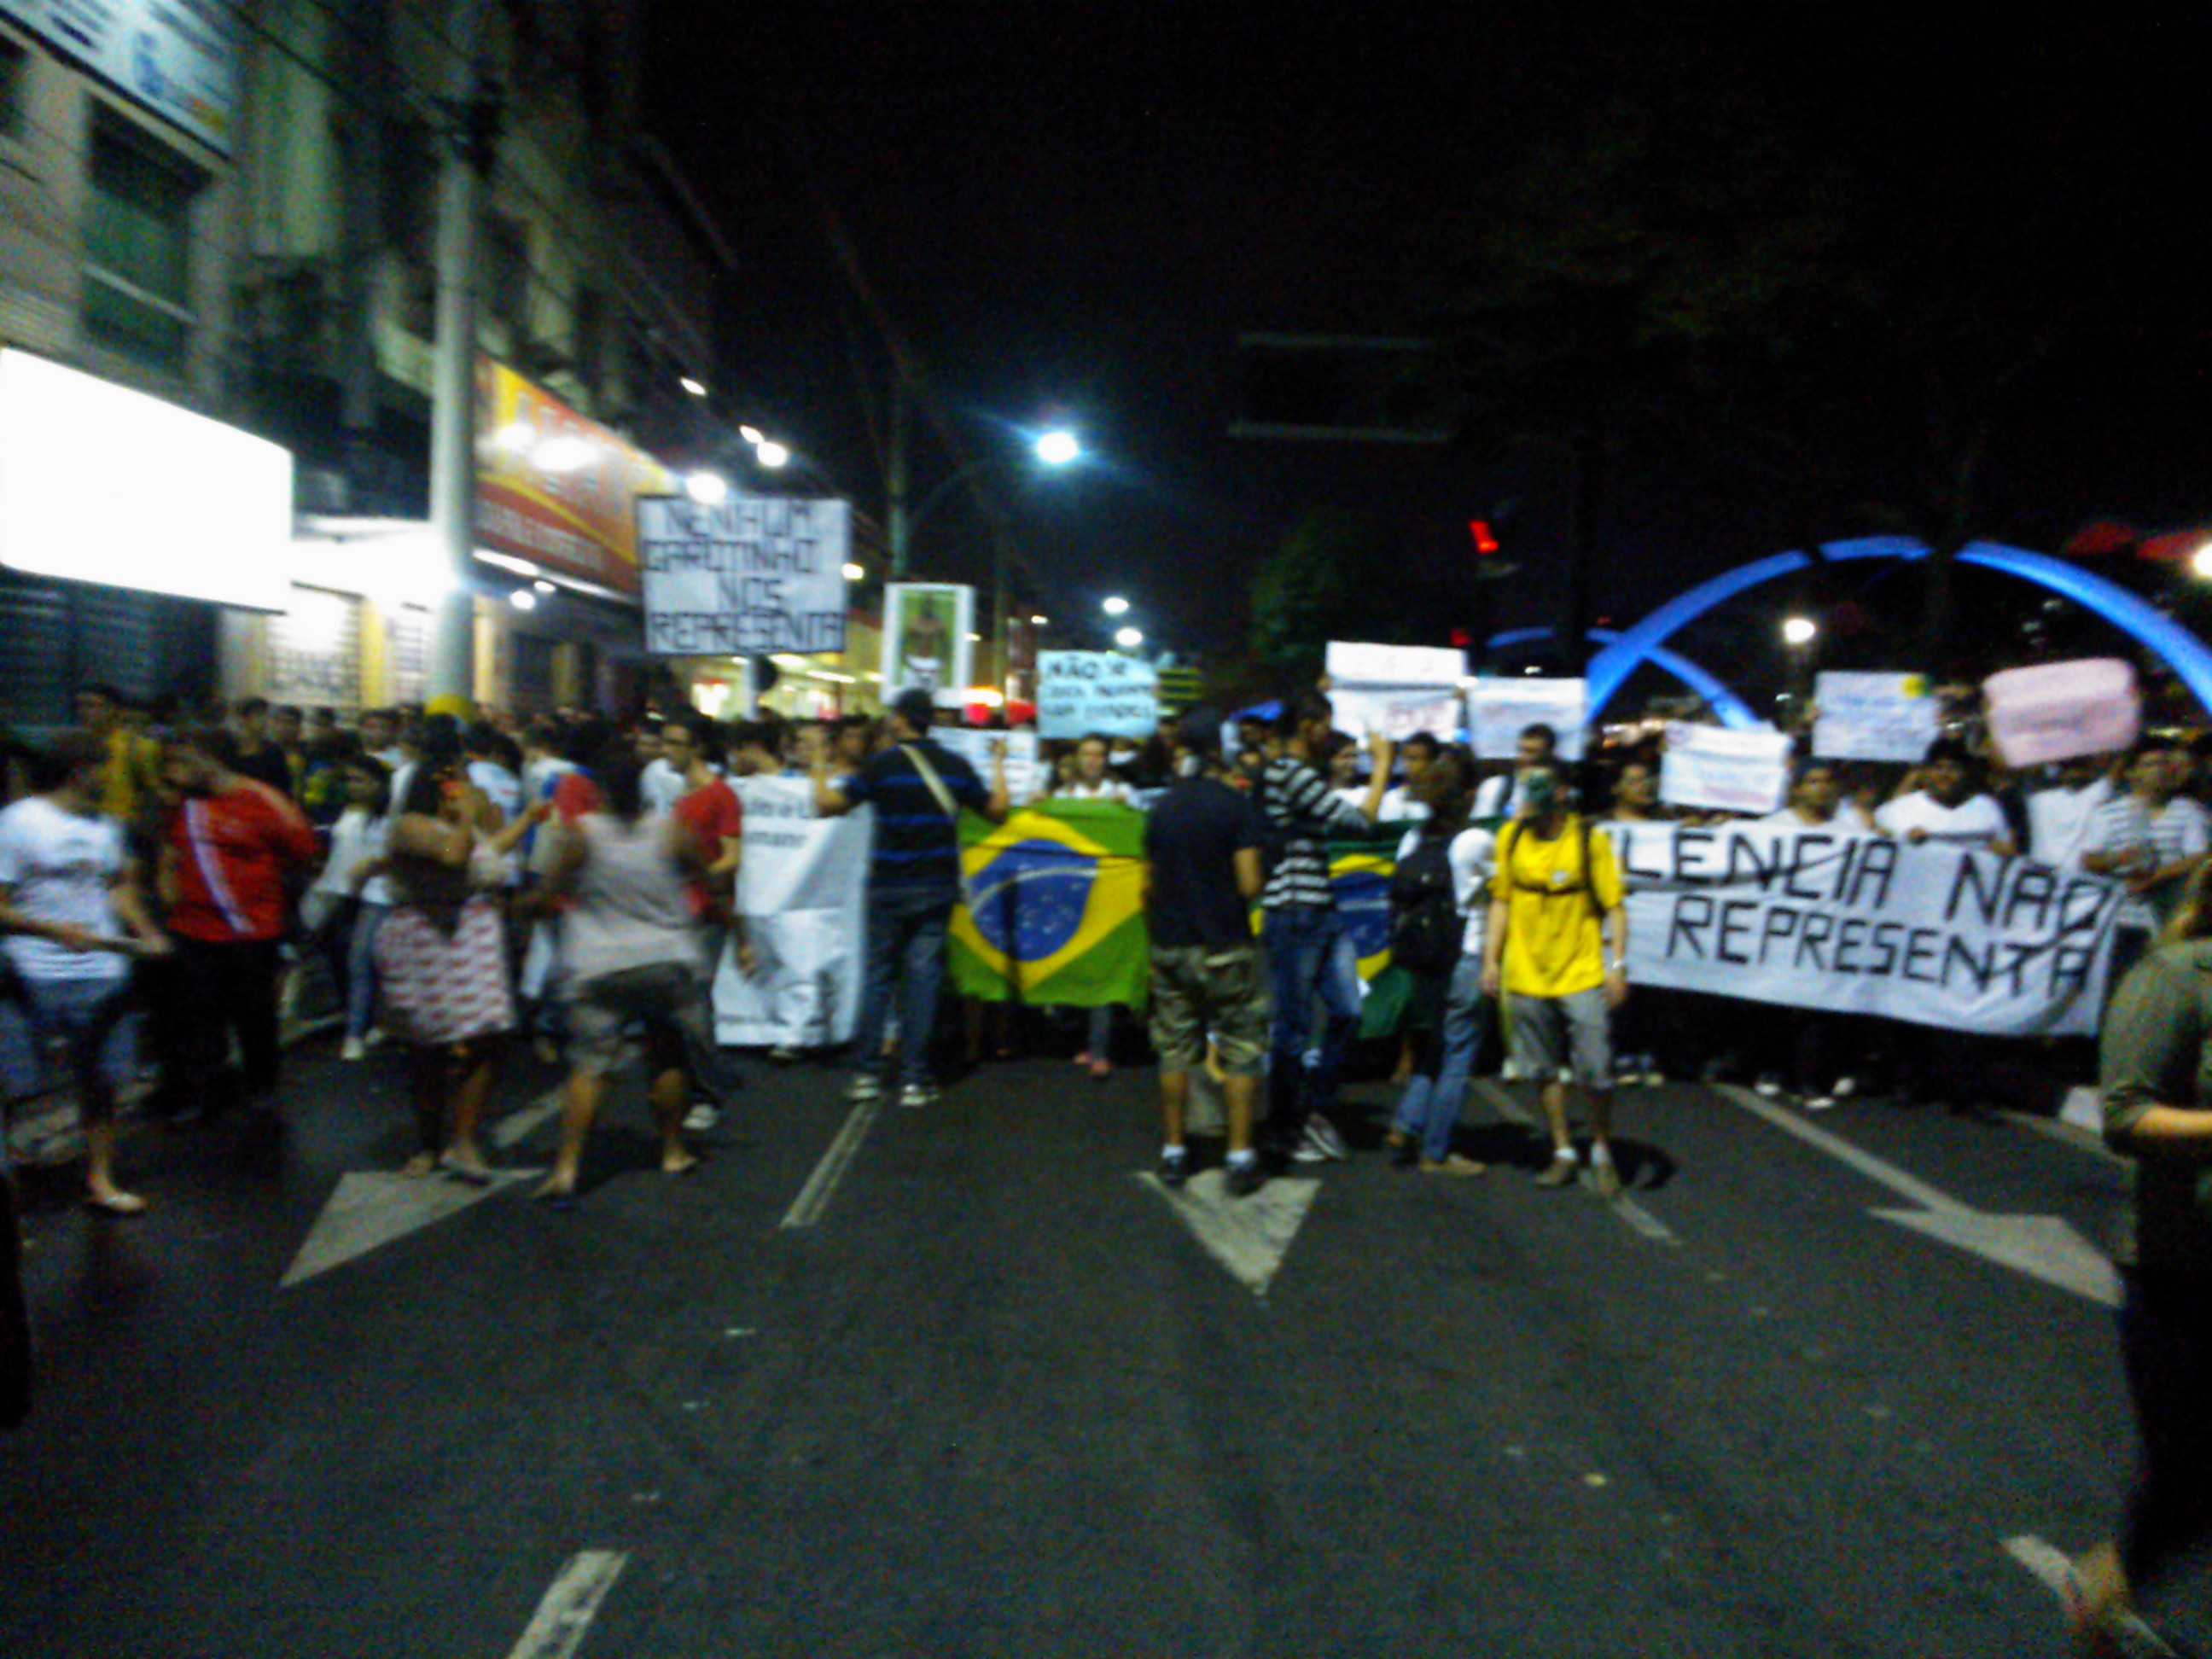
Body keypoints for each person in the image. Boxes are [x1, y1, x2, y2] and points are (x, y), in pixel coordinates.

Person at [2069, 870, 2212, 1656]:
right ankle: (2112, 1579)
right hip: (2181, 1264)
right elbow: (2124, 1114)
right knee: (2188, 1470)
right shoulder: (2174, 979)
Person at [533, 750, 737, 1206]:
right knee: (666, 1052)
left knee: (590, 1066)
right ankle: (673, 1150)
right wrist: (737, 932)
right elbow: (708, 883)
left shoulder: (581, 834)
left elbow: (550, 892)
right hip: (666, 962)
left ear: (599, 790)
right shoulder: (671, 830)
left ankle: (566, 1170)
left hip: (599, 966)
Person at [0, 732, 171, 1212]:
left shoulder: (105, 827)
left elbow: (116, 888)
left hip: (103, 973)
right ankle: (8, 1187)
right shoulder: (17, 822)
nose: (111, 777)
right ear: (81, 772)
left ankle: (100, 1179)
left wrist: (145, 931)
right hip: (30, 974)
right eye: (104, 767)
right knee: (12, 1084)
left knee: (102, 1080)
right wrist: (53, 930)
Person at [814, 688, 1008, 1107]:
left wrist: (817, 764)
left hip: (887, 886)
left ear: (901, 720)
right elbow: (998, 811)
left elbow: (828, 805)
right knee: (923, 982)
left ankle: (866, 1074)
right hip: (935, 886)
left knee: (878, 977)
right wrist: (997, 764)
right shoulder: (955, 766)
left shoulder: (880, 766)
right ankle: (914, 1079)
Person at [1481, 756, 1630, 1196]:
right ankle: (1563, 1150)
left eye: (1542, 787)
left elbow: (1614, 907)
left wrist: (1617, 965)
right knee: (1542, 1068)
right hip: (1526, 973)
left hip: (1580, 971)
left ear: (1563, 791)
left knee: (1596, 1067)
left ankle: (1601, 1148)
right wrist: (1491, 959)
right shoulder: (1510, 837)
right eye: (1527, 787)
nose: (1532, 797)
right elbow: (1501, 900)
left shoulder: (1588, 840)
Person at [1256, 688, 1394, 1166]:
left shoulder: (1298, 772)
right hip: (1294, 911)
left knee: (1349, 1012)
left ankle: (1312, 1108)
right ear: (1307, 725)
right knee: (1293, 1028)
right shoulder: (1289, 772)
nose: (1330, 734)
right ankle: (1283, 1127)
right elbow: (1360, 822)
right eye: (1325, 724)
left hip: (1321, 909)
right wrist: (1382, 765)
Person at [155, 730, 319, 1121]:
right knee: (200, 1018)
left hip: (252, 934)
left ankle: (261, 1088)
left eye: (184, 761)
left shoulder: (263, 799)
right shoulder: (182, 803)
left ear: (211, 758)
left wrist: (271, 902)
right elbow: (168, 855)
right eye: (171, 763)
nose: (175, 771)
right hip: (193, 932)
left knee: (255, 1017)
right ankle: (206, 1094)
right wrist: (169, 905)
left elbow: (304, 853)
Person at [373, 736, 514, 1179]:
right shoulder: (410, 824)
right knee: (426, 1047)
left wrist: (489, 813)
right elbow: (452, 857)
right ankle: (429, 1143)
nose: (465, 784)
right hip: (426, 941)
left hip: (473, 936)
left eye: (465, 776)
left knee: (486, 1037)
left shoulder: (467, 822)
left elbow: (494, 845)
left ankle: (463, 1141)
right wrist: (467, 816)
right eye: (456, 778)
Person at [1144, 710, 1270, 1195]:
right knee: (1240, 1048)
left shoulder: (1162, 808)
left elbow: (1147, 885)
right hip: (1225, 945)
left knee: (1175, 1050)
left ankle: (1174, 1152)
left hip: (1171, 945)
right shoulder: (1235, 806)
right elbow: (1250, 884)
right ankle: (1239, 1156)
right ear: (1220, 748)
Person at [1382, 750, 1493, 1176]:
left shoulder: (1413, 839)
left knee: (1436, 1042)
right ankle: (1436, 1150)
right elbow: (1504, 886)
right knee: (1459, 1053)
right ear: (1468, 796)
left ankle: (1406, 1123)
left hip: (1425, 958)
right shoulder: (1475, 841)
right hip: (1465, 952)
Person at [1751, 760, 1870, 1109]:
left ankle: (1809, 1082)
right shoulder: (1771, 827)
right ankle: (1772, 1068)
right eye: (1813, 781)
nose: (1822, 788)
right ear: (1796, 789)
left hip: (1825, 936)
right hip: (1779, 934)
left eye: (1828, 781)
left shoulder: (1851, 830)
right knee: (1775, 1008)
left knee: (1816, 1011)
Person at [2083, 735, 2211, 984]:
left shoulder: (2189, 812)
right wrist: (2116, 860)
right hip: (2121, 919)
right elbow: (2089, 860)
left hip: (2169, 919)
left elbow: (2198, 858)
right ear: (2133, 773)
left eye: (2165, 763)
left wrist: (2155, 878)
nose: (2161, 770)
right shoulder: (2108, 812)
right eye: (2152, 764)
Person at [304, 754, 394, 1061]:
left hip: (379, 895)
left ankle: (357, 1031)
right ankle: (367, 1021)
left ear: (379, 783)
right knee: (354, 960)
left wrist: (375, 866)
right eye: (349, 780)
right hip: (346, 893)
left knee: (363, 959)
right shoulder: (350, 811)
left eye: (360, 780)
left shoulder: (390, 814)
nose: (353, 786)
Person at [1056, 732, 1133, 1077]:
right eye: (1086, 753)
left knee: (1103, 971)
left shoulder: (1123, 793)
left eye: (1099, 754)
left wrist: (1126, 811)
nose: (1092, 760)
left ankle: (1099, 1049)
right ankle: (1085, 1040)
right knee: (1077, 969)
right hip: (1072, 893)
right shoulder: (1063, 797)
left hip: (1109, 895)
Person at [1873, 736, 2016, 853]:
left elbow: (2007, 847)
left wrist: (2001, 851)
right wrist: (1905, 839)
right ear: (1925, 771)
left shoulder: (1987, 807)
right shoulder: (1897, 810)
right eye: (1938, 767)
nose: (1944, 775)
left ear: (1966, 773)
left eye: (1953, 768)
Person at [1473, 723, 1557, 821]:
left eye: (1532, 752)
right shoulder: (1495, 786)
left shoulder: (1559, 791)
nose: (1523, 757)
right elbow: (1481, 825)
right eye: (1521, 750)